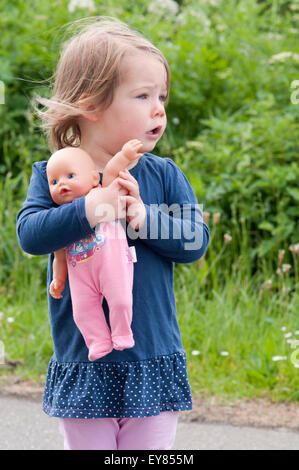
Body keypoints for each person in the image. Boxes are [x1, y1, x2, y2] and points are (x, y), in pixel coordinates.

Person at [16, 17, 209, 450]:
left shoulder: (163, 175)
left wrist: (143, 217)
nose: (158, 108)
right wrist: (89, 208)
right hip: (85, 359)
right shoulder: (55, 176)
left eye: (161, 96)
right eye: (142, 96)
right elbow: (30, 233)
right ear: (91, 105)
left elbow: (196, 241)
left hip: (152, 358)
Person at [47, 140, 143, 361]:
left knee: (120, 300)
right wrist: (59, 279)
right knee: (82, 311)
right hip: (82, 277)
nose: (62, 184)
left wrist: (125, 154)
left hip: (114, 266)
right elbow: (59, 255)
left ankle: (122, 333)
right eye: (54, 181)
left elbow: (111, 169)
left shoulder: (103, 193)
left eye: (70, 176)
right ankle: (98, 341)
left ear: (92, 178)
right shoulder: (64, 217)